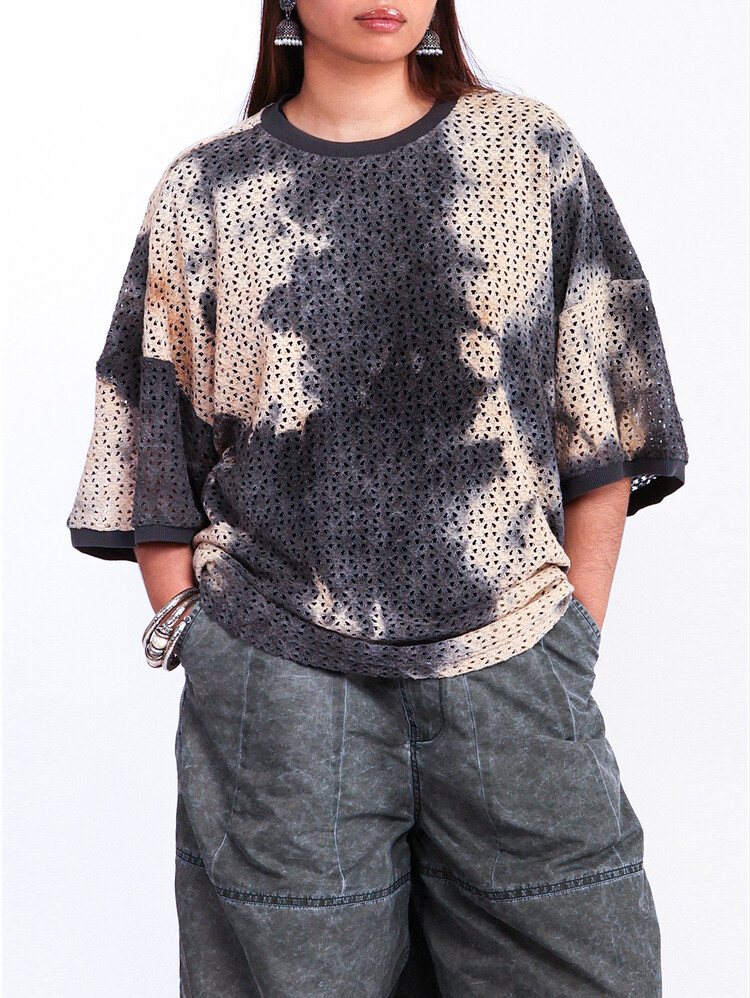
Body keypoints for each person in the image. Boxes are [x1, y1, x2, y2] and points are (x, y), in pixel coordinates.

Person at [66, 1, 689, 995]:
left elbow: (603, 417)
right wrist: (206, 643)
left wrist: (571, 633)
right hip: (281, 687)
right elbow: (152, 451)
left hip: (515, 666)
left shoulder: (531, 155)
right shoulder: (207, 189)